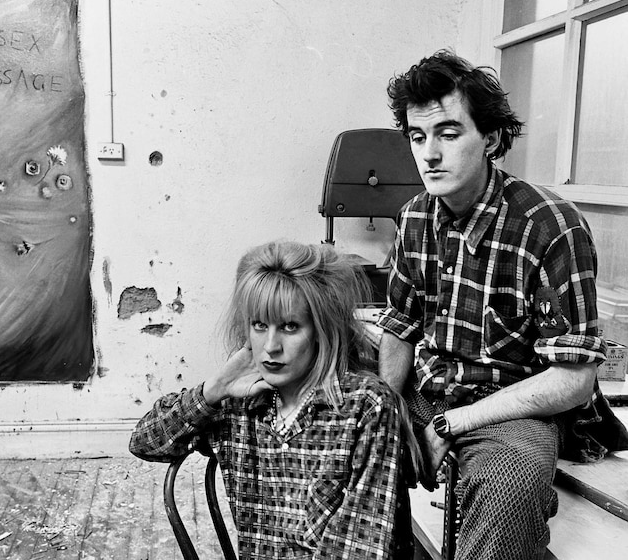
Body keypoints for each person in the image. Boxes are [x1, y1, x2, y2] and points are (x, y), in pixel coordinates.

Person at [378, 49, 628, 560]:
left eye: (448, 134)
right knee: (341, 435)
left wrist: (450, 424)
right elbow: (400, 327)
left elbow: (574, 379)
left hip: (511, 407)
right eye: (417, 136)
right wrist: (390, 412)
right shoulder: (413, 218)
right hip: (430, 386)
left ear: (490, 139)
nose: (429, 154)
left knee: (508, 488)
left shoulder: (550, 225)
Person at [130, 240, 414, 559]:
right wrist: (214, 389)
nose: (271, 346)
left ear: (322, 330)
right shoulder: (238, 404)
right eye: (260, 325)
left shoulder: (366, 406)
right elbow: (144, 442)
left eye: (290, 327)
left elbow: (364, 548)